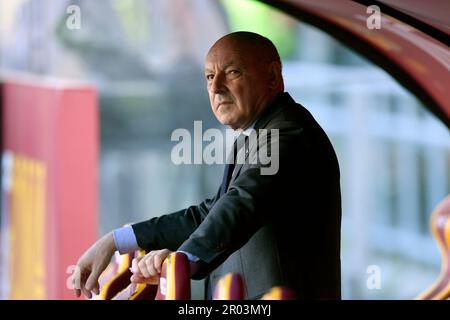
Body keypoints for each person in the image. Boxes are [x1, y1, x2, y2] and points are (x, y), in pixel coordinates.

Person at [73, 31, 342, 300]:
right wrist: (116, 240)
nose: (215, 88)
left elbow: (241, 204)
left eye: (232, 72)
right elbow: (210, 213)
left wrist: (183, 260)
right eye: (210, 77)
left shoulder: (289, 135)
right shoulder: (257, 135)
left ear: (272, 76)